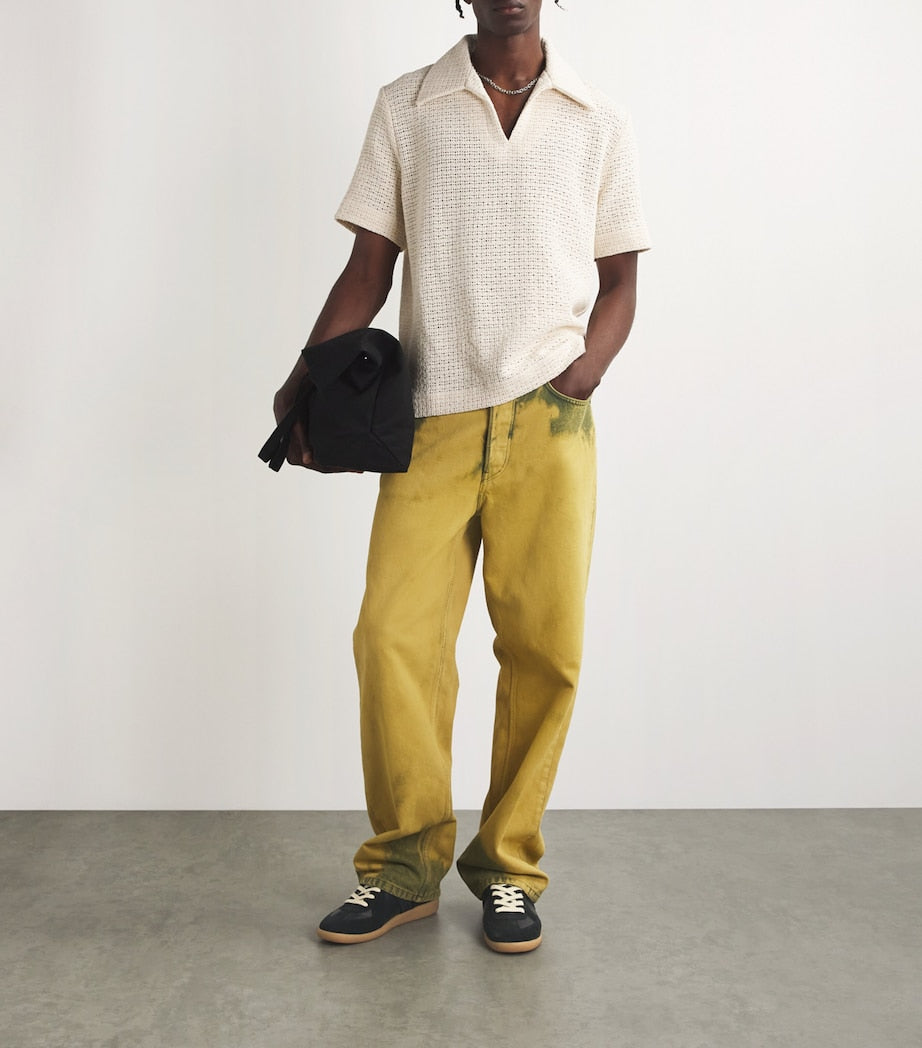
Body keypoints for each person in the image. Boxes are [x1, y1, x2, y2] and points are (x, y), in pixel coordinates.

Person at [272, 0, 650, 953]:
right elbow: (368, 267)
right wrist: (304, 379)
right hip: (432, 420)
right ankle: (403, 867)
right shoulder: (408, 106)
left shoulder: (598, 119)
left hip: (551, 424)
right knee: (392, 636)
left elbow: (620, 279)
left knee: (544, 651)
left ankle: (509, 868)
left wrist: (584, 372)